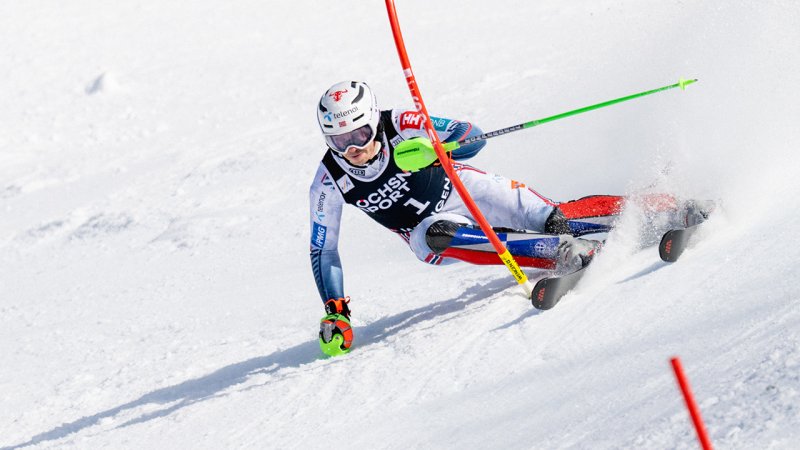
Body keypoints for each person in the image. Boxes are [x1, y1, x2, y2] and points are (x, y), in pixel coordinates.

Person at [310, 80, 709, 356]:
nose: (353, 148)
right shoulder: (330, 180)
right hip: (424, 231)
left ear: (372, 121)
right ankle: (563, 253)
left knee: (552, 216)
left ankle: (667, 205)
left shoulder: (399, 123)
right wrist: (336, 311)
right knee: (435, 234)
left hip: (464, 188)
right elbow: (323, 250)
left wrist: (437, 146)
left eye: (359, 135)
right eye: (339, 141)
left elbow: (474, 135)